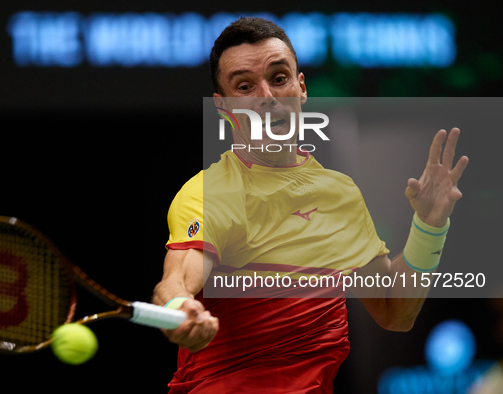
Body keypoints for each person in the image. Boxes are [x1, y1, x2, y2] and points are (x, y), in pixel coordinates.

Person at [152, 17, 469, 393]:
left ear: (301, 88)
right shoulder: (209, 194)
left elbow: (393, 310)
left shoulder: (340, 194)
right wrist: (179, 309)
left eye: (279, 77)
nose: (266, 96)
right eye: (244, 86)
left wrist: (429, 227)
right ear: (222, 107)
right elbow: (178, 280)